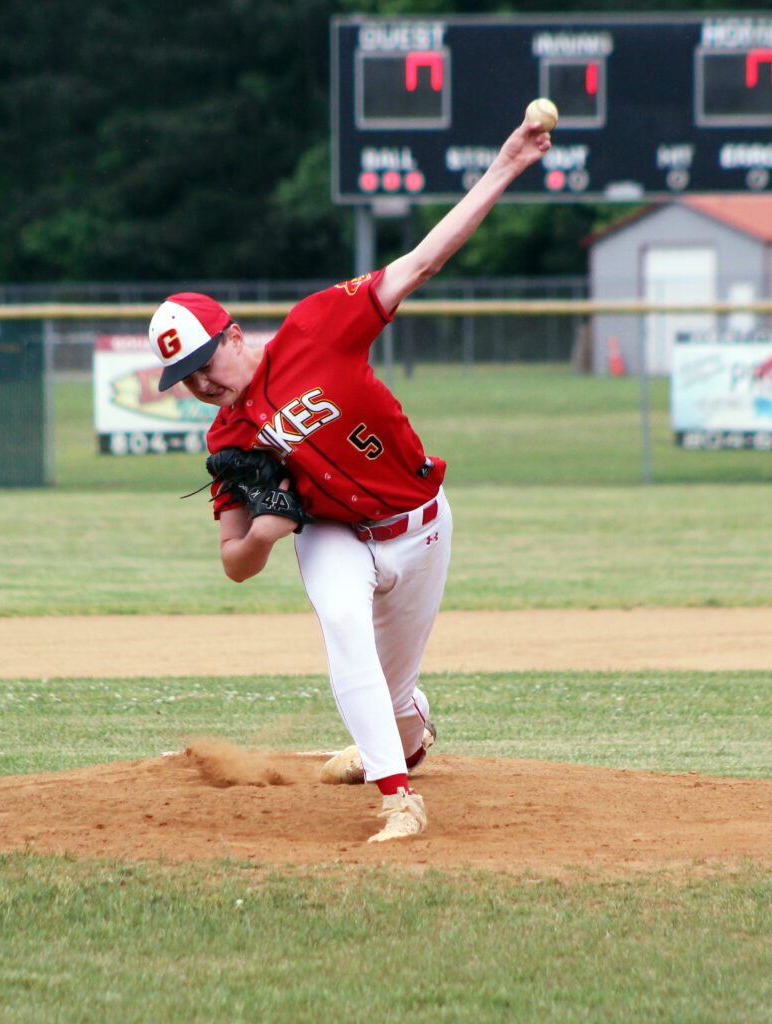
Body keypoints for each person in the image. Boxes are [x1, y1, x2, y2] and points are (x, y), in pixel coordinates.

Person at [147, 113, 552, 842]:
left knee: (394, 700)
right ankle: (399, 799)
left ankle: (406, 737)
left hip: (421, 526)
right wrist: (265, 535)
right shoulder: (227, 436)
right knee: (343, 629)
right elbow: (234, 562)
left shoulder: (317, 328)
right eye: (186, 377)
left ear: (234, 335)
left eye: (206, 360)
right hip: (333, 533)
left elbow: (421, 263)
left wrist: (507, 165)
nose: (203, 382)